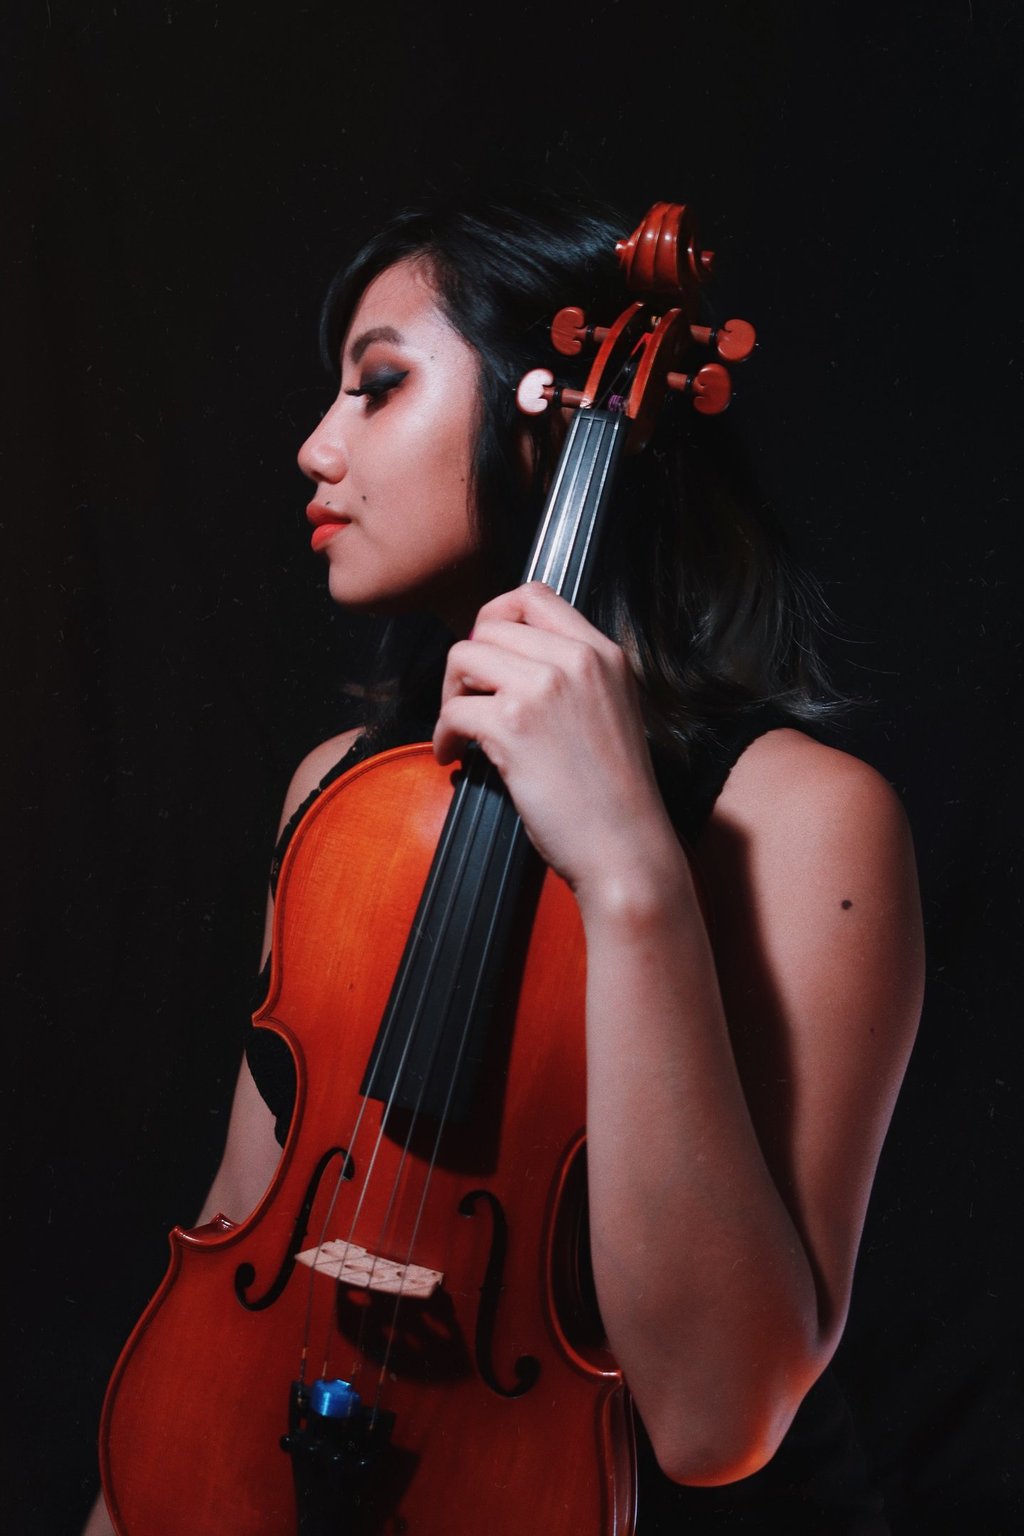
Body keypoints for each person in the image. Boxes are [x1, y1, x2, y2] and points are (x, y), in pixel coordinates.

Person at [83, 189, 923, 1535]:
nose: (315, 448)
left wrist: (630, 871)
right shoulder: (338, 787)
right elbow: (243, 1228)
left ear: (546, 417)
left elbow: (715, 1419)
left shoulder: (809, 822)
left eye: (378, 388)